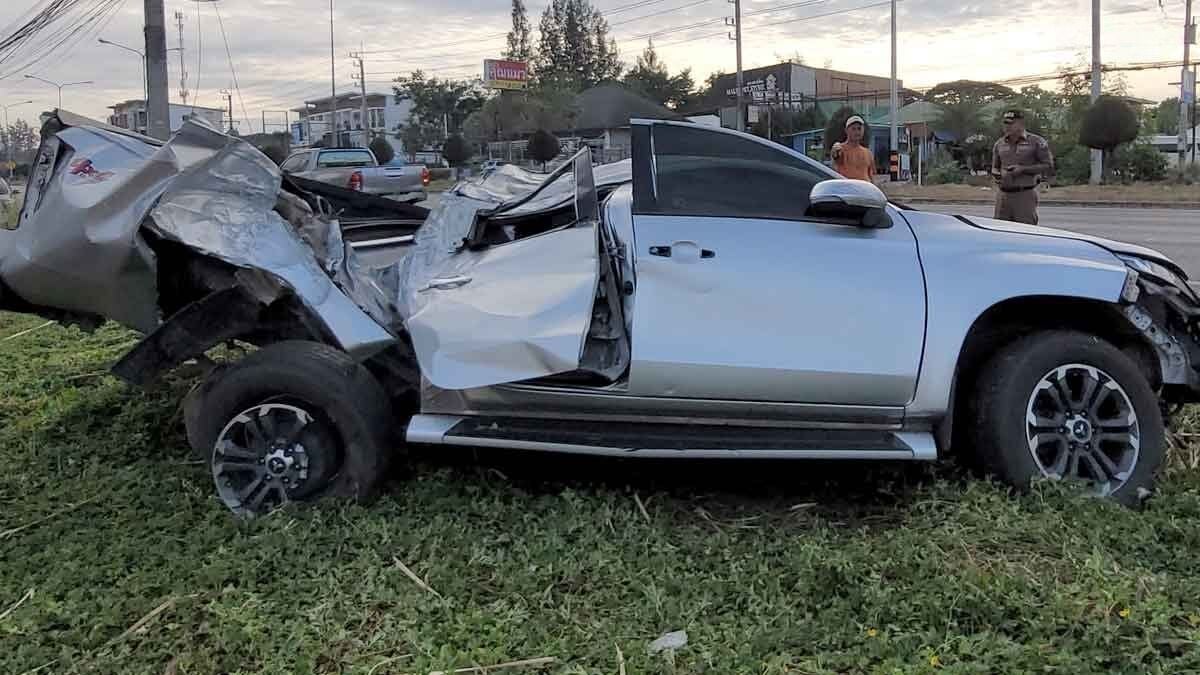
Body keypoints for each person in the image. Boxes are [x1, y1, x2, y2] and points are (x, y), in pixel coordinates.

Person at [991, 109, 1054, 225]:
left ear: (1021, 123)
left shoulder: (1036, 142)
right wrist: (997, 174)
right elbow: (994, 167)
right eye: (1005, 123)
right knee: (1000, 232)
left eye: (1011, 123)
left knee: (1026, 232)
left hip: (1024, 194)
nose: (1007, 127)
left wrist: (1023, 169)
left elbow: (1048, 166)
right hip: (1003, 195)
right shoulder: (999, 143)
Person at [831, 115, 876, 182]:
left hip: (864, 190)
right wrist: (835, 150)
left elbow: (871, 176)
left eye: (859, 128)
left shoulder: (868, 153)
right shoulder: (840, 149)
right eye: (853, 129)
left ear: (863, 130)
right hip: (847, 190)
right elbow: (835, 157)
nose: (857, 132)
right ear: (846, 130)